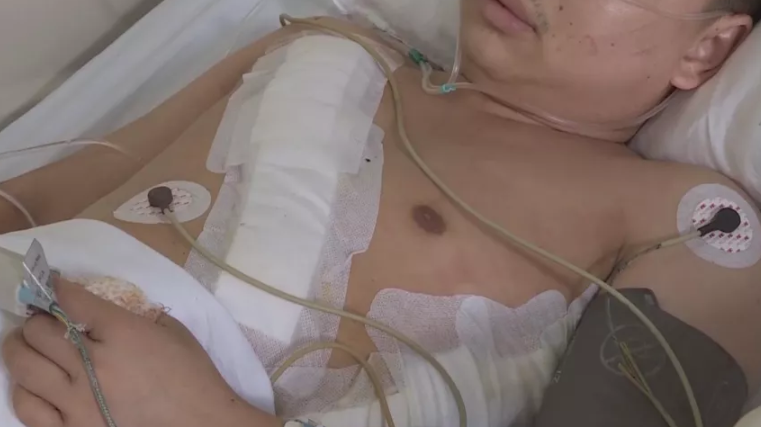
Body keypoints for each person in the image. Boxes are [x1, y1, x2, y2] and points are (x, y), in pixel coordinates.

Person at [2, 0, 761, 426]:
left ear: (706, 48)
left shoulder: (694, 227)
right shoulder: (325, 46)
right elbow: (34, 200)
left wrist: (197, 417)